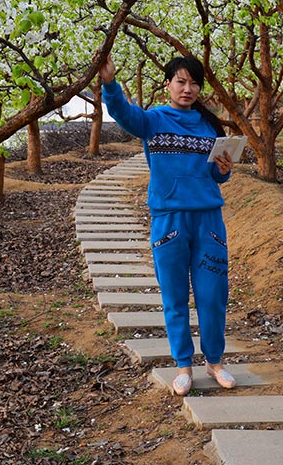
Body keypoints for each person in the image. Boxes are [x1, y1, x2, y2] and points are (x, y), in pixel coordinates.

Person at [99, 53, 237, 396]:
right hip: (168, 220)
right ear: (168, 85)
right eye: (181, 81)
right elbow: (121, 112)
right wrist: (109, 83)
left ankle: (215, 362)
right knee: (174, 295)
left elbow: (216, 175)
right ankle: (183, 365)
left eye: (193, 83)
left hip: (208, 220)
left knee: (212, 294)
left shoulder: (209, 127)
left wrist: (223, 170)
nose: (187, 89)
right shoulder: (153, 121)